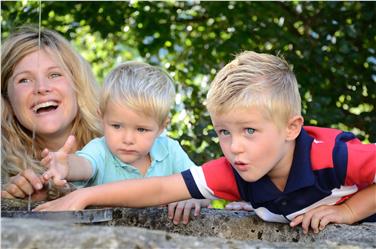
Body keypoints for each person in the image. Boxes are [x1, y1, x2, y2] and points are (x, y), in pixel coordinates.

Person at [35, 51, 375, 234]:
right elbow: (160, 190)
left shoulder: (331, 155)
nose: (234, 147)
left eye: (250, 131)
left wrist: (346, 211)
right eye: (224, 132)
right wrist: (84, 194)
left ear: (291, 128)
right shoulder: (234, 171)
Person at [40, 61, 210, 224]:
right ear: (101, 118)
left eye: (141, 129)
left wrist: (193, 197)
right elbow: (85, 165)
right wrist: (68, 167)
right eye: (116, 126)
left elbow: (204, 188)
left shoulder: (170, 151)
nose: (128, 139)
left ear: (161, 127)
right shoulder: (100, 149)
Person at [1, 25, 102, 201]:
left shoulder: (130, 140)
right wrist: (15, 199)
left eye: (54, 75)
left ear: (77, 84)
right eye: (24, 80)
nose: (41, 88)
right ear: (7, 98)